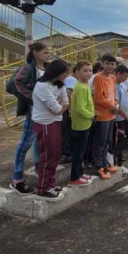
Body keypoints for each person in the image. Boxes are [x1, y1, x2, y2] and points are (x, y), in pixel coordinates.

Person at [8, 41, 51, 194]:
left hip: (47, 113)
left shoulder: (47, 69)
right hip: (34, 112)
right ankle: (17, 178)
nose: (49, 54)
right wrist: (33, 97)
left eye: (49, 52)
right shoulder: (28, 68)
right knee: (26, 143)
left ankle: (41, 170)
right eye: (45, 52)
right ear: (35, 53)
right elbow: (13, 84)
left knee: (42, 143)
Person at [31, 58, 71, 200]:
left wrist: (62, 106)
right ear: (57, 72)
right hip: (45, 123)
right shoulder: (42, 86)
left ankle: (50, 183)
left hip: (55, 121)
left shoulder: (59, 84)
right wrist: (62, 107)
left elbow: (65, 102)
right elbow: (57, 109)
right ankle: (42, 188)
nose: (67, 75)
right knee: (47, 155)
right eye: (65, 73)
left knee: (55, 154)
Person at [68, 61, 96, 187]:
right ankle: (74, 177)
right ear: (77, 72)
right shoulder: (79, 87)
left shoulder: (85, 85)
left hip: (85, 123)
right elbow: (80, 108)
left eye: (90, 70)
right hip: (81, 123)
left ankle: (80, 173)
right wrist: (92, 115)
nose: (88, 73)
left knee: (82, 151)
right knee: (78, 153)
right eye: (85, 70)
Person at [92, 54, 120, 179]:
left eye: (112, 64)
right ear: (102, 63)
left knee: (107, 141)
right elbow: (98, 98)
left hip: (111, 114)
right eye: (107, 63)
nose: (110, 66)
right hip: (102, 115)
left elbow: (113, 94)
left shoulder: (113, 78)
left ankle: (104, 163)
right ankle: (98, 166)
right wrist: (113, 106)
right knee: (100, 142)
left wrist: (116, 103)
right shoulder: (98, 78)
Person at [112, 64, 128, 175]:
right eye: (123, 76)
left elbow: (126, 102)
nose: (125, 79)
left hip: (126, 117)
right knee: (118, 139)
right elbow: (117, 105)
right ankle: (117, 164)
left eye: (127, 77)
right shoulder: (114, 86)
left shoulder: (122, 85)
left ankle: (112, 154)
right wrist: (126, 116)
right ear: (117, 73)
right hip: (119, 118)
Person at [61, 69, 77, 163]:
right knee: (67, 132)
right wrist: (70, 108)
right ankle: (66, 154)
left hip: (64, 109)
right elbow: (69, 93)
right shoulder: (72, 79)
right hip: (67, 110)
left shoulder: (69, 79)